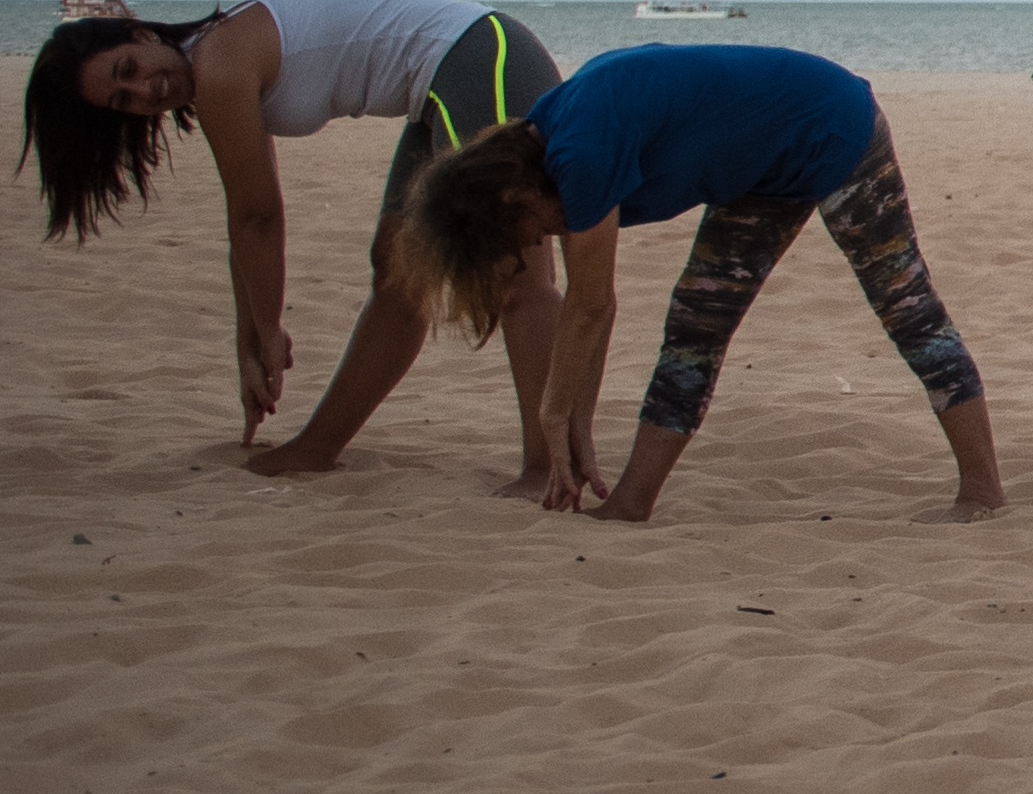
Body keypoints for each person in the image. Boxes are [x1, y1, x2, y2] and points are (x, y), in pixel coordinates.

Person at [393, 42, 997, 522]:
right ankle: (631, 503)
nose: (533, 243)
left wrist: (554, 415)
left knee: (905, 305)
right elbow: (590, 315)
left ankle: (982, 491)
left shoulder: (580, 154)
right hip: (759, 162)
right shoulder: (553, 141)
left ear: (511, 195)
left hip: (831, 122)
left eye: (520, 233)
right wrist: (575, 425)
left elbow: (592, 305)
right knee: (696, 322)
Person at [21, 0, 567, 476]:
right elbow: (244, 220)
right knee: (397, 272)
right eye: (124, 100)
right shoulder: (214, 65)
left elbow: (259, 216)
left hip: (482, 58)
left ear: (141, 35)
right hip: (442, 87)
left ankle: (548, 467)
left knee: (518, 277)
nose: (144, 89)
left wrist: (268, 330)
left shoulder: (218, 63)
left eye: (129, 69)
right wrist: (250, 341)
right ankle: (317, 449)